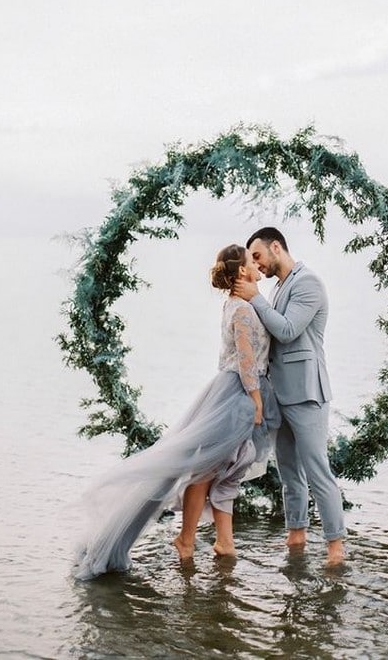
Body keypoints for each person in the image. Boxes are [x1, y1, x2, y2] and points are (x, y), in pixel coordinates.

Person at [73, 244, 280, 580]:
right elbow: (244, 359)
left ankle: (218, 542)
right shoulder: (241, 310)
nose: (257, 265)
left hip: (232, 390)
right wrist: (256, 400)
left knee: (215, 466)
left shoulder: (240, 303)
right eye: (251, 261)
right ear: (241, 271)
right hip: (238, 392)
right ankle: (186, 540)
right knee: (206, 468)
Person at [234, 227, 346, 566]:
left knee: (316, 470)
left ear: (276, 247)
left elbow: (286, 330)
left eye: (257, 256)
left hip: (307, 393)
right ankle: (296, 535)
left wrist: (255, 297)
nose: (256, 265)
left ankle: (335, 547)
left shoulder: (307, 283)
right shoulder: (281, 286)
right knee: (288, 472)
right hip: (280, 394)